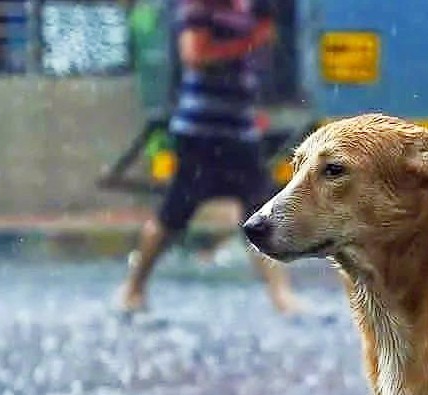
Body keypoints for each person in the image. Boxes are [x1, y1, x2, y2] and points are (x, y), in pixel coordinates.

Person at [116, 0, 300, 315]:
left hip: (239, 130)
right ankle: (133, 287)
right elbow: (195, 55)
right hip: (202, 130)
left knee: (260, 210)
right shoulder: (199, 8)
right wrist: (250, 42)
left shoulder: (243, 8)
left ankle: (281, 297)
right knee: (174, 214)